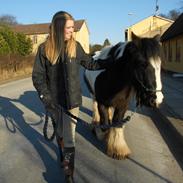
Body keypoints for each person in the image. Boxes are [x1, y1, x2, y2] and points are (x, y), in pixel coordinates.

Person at [32, 11, 114, 183]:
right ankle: (64, 157)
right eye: (69, 27)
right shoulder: (44, 49)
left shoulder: (75, 47)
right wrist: (45, 98)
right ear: (59, 27)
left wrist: (110, 62)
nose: (72, 31)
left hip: (72, 103)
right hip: (53, 103)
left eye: (73, 27)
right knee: (61, 135)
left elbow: (90, 63)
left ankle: (68, 173)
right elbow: (38, 77)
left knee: (69, 138)